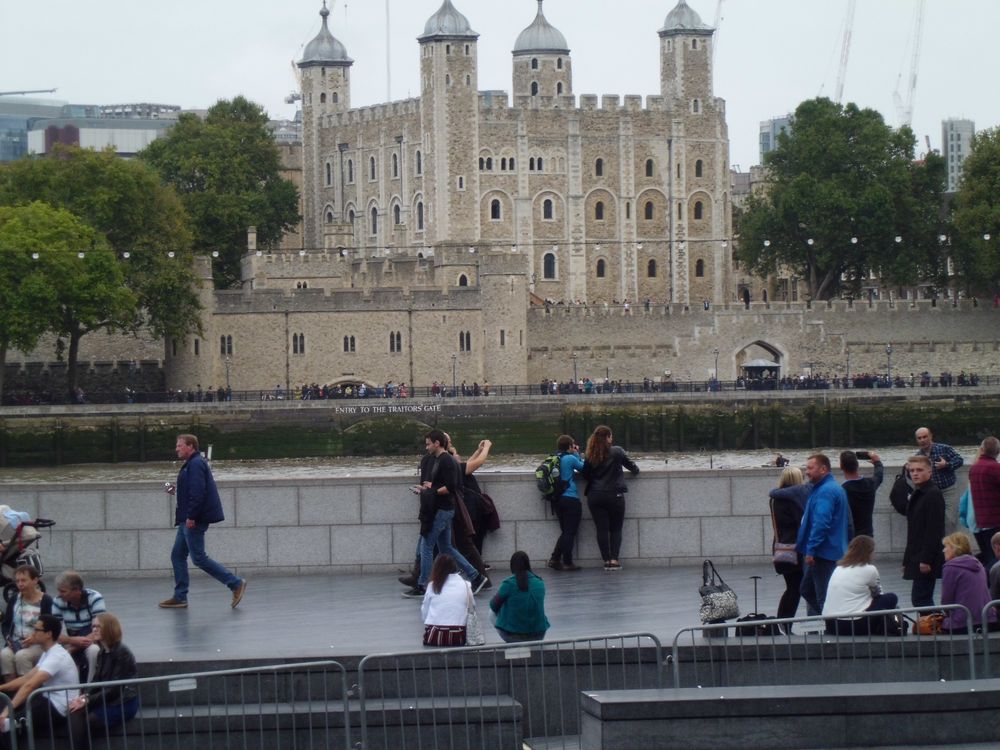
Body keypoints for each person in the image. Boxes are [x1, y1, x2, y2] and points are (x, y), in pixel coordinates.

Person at [160, 434, 247, 609]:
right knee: (177, 555)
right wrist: (167, 487)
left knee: (199, 558)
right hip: (187, 519)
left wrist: (192, 517)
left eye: (179, 445)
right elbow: (186, 491)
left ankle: (235, 583)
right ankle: (180, 596)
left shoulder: (196, 464)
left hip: (193, 520)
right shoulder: (191, 465)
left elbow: (198, 493)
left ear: (190, 446)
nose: (176, 448)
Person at [403, 430, 488, 598]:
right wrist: (425, 489)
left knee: (426, 546)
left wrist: (431, 491)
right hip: (438, 509)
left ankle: (422, 585)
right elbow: (437, 486)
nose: (426, 447)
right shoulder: (434, 460)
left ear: (437, 443)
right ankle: (476, 577)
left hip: (441, 510)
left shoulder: (447, 461)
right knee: (447, 547)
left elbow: (451, 486)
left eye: (428, 443)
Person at [0, 614, 81, 748]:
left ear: (48, 634)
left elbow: (30, 685)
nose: (33, 633)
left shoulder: (57, 656)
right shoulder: (47, 653)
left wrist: (5, 713)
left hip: (57, 707)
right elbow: (27, 678)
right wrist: (2, 688)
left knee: (6, 725)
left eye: (37, 630)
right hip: (45, 699)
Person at [68, 612, 140, 749]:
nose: (94, 629)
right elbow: (97, 680)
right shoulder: (102, 651)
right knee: (74, 711)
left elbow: (114, 689)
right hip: (107, 698)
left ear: (109, 628)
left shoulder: (121, 652)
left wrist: (87, 700)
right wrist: (84, 696)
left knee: (90, 720)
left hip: (123, 702)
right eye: (93, 626)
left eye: (98, 627)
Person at [796, 454, 850, 616]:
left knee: (822, 596)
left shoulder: (825, 491)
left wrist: (811, 550)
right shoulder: (830, 488)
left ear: (824, 469)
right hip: (828, 551)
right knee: (807, 589)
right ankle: (829, 623)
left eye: (810, 468)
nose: (806, 472)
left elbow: (821, 523)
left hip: (823, 553)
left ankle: (832, 629)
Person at [581, 425, 639, 570]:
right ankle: (614, 559)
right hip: (615, 495)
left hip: (595, 495)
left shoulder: (590, 454)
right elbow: (633, 468)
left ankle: (606, 560)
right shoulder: (617, 451)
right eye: (611, 436)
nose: (612, 439)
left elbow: (585, 474)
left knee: (601, 529)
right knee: (616, 528)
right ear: (607, 437)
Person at [895, 455, 946, 607]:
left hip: (925, 555)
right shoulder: (920, 493)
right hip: (918, 553)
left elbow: (934, 530)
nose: (915, 473)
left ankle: (933, 627)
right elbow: (913, 532)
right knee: (921, 597)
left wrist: (926, 559)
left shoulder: (932, 494)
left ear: (930, 472)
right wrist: (906, 560)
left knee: (921, 598)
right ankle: (932, 626)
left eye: (919, 470)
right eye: (911, 470)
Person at [822, 535, 899, 635]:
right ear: (869, 552)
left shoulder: (839, 568)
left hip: (831, 625)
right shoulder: (870, 569)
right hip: (853, 625)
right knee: (891, 598)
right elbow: (878, 594)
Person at [769, 466, 810, 630]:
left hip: (781, 548)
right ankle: (784, 625)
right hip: (795, 549)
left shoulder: (775, 498)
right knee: (795, 589)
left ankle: (783, 625)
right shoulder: (792, 500)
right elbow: (801, 521)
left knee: (792, 588)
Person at [0, 565, 53, 683]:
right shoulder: (14, 599)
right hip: (16, 642)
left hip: (38, 644)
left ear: (35, 580)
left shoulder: (45, 600)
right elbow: (6, 623)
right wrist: (8, 638)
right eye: (17, 581)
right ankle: (11, 692)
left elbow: (50, 627)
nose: (20, 584)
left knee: (22, 656)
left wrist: (34, 638)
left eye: (24, 580)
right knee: (4, 655)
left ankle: (28, 692)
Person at [52, 571, 106, 683]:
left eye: (63, 591)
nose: (59, 594)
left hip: (93, 641)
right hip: (71, 640)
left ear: (77, 590)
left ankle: (90, 687)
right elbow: (53, 633)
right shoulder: (58, 601)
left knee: (94, 651)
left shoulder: (94, 598)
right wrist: (72, 641)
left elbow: (100, 629)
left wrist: (72, 648)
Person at [940, 532, 998, 634]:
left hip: (964, 623)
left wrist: (948, 616)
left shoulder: (950, 567)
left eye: (946, 546)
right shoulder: (978, 564)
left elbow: (946, 600)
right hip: (988, 620)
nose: (943, 550)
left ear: (954, 548)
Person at [489, 552, 550, 643]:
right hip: (539, 635)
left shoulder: (509, 583)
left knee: (490, 613)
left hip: (513, 636)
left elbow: (493, 605)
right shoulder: (540, 583)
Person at [914, 426, 964, 535]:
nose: (922, 440)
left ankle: (950, 548)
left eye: (925, 437)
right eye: (919, 438)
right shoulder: (918, 456)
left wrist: (946, 464)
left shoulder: (944, 448)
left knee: (949, 521)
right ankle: (938, 549)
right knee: (932, 522)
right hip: (930, 492)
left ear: (931, 436)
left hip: (948, 490)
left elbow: (960, 460)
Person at [548, 435, 585, 571]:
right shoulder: (570, 458)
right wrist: (577, 454)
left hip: (558, 500)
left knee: (565, 532)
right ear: (570, 446)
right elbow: (585, 468)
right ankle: (568, 562)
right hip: (570, 499)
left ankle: (555, 559)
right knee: (569, 532)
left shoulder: (556, 458)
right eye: (572, 445)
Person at [420, 554, 473, 647]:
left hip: (435, 635)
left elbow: (425, 611)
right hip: (458, 635)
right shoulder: (466, 585)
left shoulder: (433, 585)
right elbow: (472, 607)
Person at [969, 436, 1000, 570]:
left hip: (980, 521)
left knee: (988, 556)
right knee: (995, 560)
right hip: (995, 520)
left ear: (982, 449)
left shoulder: (974, 469)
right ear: (998, 451)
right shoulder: (995, 468)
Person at [840, 450, 883, 538]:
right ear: (857, 465)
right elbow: (879, 475)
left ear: (841, 466)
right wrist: (877, 462)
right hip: (867, 536)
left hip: (851, 537)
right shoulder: (870, 484)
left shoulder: (843, 490)